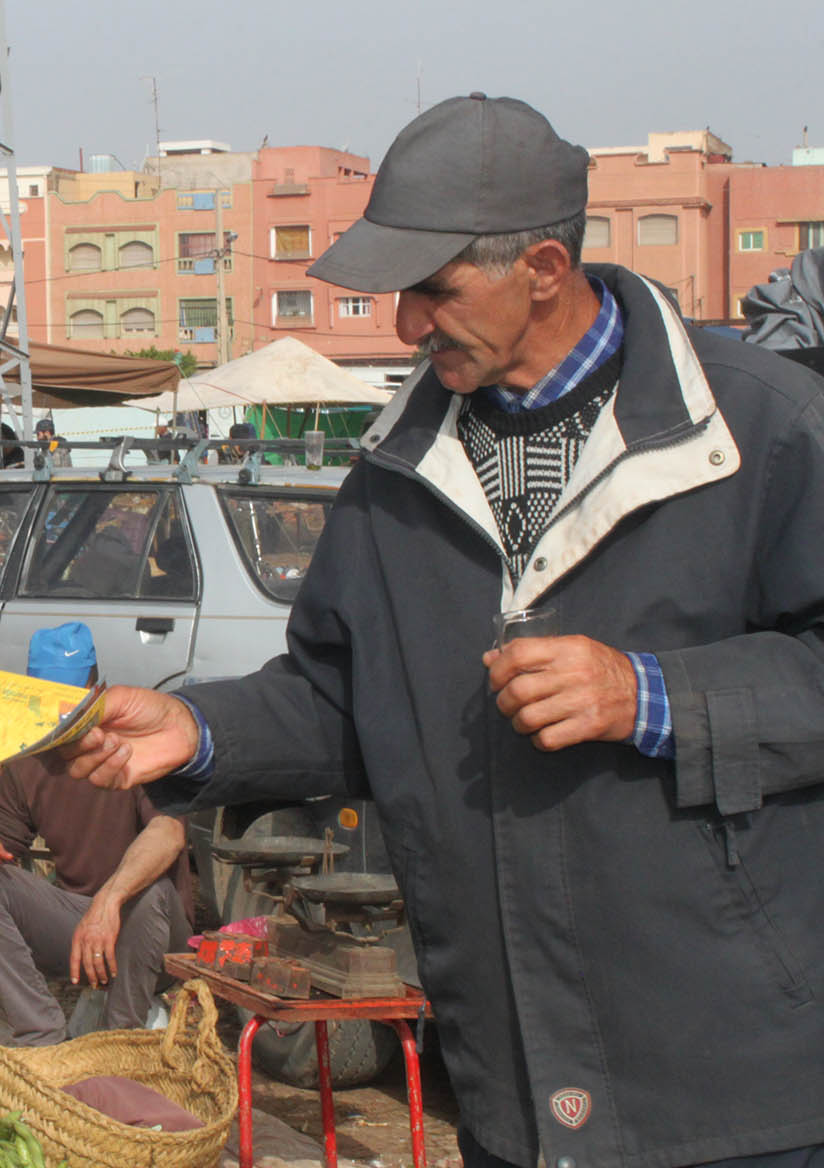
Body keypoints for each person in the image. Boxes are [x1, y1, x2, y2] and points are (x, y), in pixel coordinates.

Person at [59, 95, 824, 1168]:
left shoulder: (768, 428)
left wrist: (649, 696)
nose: (407, 326)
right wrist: (197, 729)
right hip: (507, 1081)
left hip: (734, 1086)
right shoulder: (394, 472)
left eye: (435, 290)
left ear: (546, 268)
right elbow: (341, 698)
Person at [0, 622, 191, 1046]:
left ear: (98, 690)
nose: (63, 714)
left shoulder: (133, 744)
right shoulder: (27, 761)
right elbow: (0, 852)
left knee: (149, 894)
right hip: (79, 931)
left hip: (154, 931)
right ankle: (40, 1030)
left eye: (74, 701)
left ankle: (120, 1039)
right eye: (50, 701)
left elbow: (169, 832)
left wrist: (110, 900)